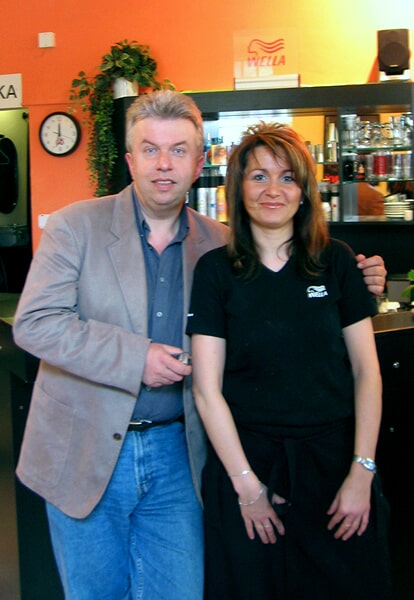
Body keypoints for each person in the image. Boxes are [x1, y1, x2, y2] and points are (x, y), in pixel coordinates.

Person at [12, 91, 386, 600]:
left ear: (198, 163)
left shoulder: (223, 247)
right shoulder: (75, 225)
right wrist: (135, 357)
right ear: (130, 160)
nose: (164, 164)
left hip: (179, 454)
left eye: (178, 150)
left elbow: (288, 296)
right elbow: (35, 324)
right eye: (150, 149)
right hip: (86, 448)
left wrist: (362, 278)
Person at [186, 122, 393, 600]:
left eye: (287, 178)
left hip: (335, 468)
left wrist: (362, 472)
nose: (272, 190)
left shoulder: (336, 261)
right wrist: (247, 487)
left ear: (304, 191)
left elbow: (367, 373)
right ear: (238, 189)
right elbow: (206, 390)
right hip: (246, 465)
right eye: (258, 177)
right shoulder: (216, 271)